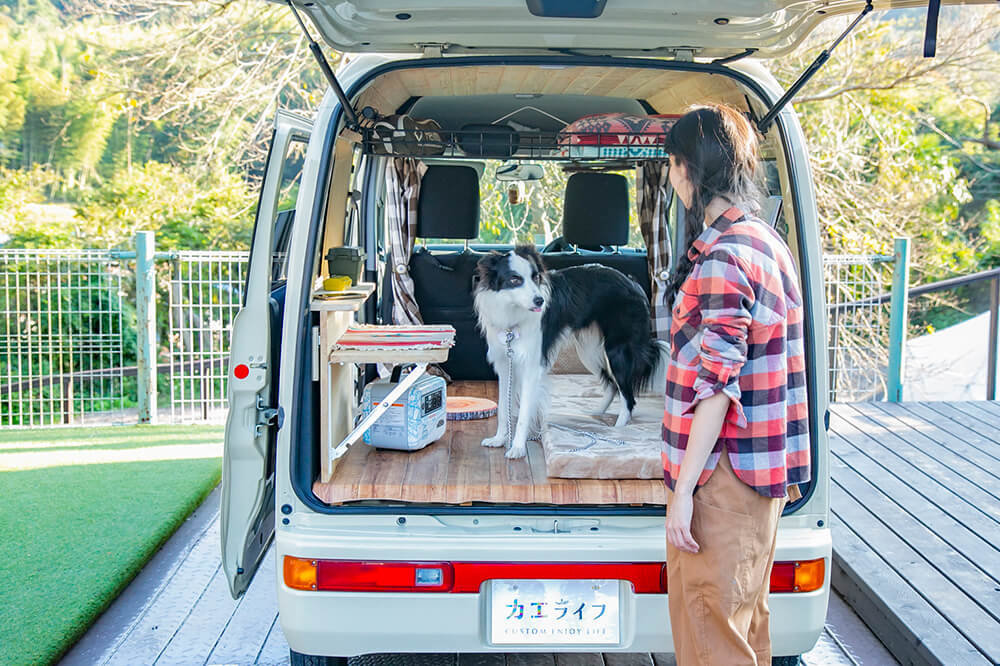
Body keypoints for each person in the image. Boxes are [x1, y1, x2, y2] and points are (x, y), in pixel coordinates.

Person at [661, 104, 810, 665]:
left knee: (710, 639)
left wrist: (682, 493)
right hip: (761, 475)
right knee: (746, 634)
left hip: (721, 479)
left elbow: (717, 388)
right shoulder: (768, 243)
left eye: (673, 165)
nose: (672, 178)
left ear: (687, 171)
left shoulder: (723, 258)